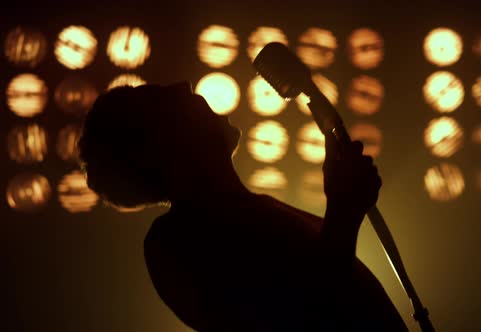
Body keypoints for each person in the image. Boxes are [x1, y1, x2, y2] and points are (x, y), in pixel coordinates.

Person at [78, 82, 408, 332]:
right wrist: (343, 210)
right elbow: (308, 315)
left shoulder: (254, 211)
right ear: (154, 145)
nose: (184, 86)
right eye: (164, 98)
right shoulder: (175, 245)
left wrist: (342, 206)